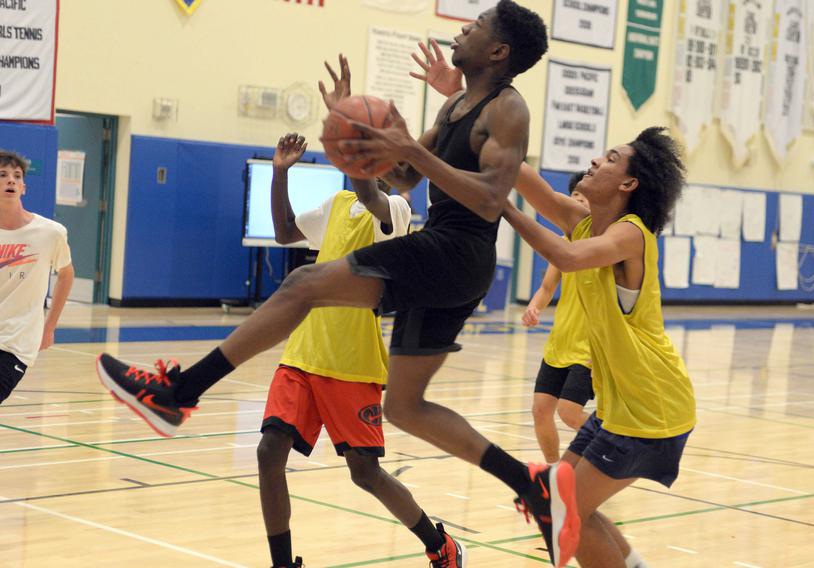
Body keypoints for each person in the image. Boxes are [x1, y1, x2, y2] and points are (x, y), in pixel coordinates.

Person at [96, 3, 580, 566]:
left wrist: (410, 150)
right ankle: (530, 484)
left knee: (302, 283)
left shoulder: (508, 109)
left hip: (457, 248)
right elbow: (401, 175)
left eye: (478, 25)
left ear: (500, 51)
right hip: (451, 259)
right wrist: (360, 138)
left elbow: (492, 197)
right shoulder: (455, 105)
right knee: (405, 408)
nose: (464, 27)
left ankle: (179, 393)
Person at [258, 128, 462, 567]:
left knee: (365, 473)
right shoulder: (337, 205)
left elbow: (369, 195)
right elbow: (284, 232)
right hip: (303, 352)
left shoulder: (397, 211)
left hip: (352, 362)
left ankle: (439, 544)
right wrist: (279, 174)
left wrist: (354, 150)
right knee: (268, 452)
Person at [504, 128, 696, 568]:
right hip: (619, 408)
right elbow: (524, 177)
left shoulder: (632, 234)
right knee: (560, 503)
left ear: (629, 184)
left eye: (610, 159)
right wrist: (469, 105)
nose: (595, 161)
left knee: (562, 509)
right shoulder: (585, 221)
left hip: (651, 409)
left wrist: (501, 208)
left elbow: (567, 257)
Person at [521, 173, 594, 464]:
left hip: (588, 347)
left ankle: (613, 444)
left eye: (583, 198)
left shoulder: (604, 241)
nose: (576, 202)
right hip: (560, 342)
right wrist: (534, 306)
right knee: (540, 410)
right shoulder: (565, 241)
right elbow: (548, 286)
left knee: (570, 412)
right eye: (573, 197)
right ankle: (553, 471)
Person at [1, 150, 74, 405]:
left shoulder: (50, 233)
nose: (10, 180)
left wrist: (49, 326)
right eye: (2, 175)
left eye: (16, 176)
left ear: (23, 187)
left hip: (15, 342)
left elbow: (66, 274)